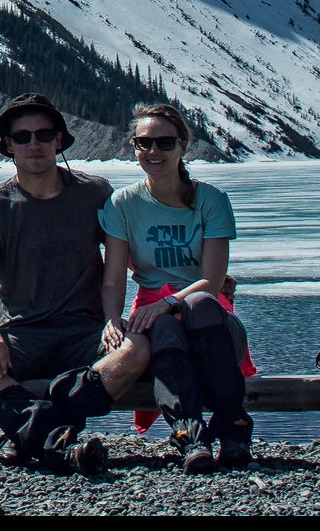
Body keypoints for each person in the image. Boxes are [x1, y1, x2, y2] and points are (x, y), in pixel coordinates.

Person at [0, 93, 125, 466]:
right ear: (8, 146)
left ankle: (32, 434)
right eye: (23, 137)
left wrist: (201, 277)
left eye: (44, 135)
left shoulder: (95, 194)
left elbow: (127, 258)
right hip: (25, 335)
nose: (34, 144)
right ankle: (54, 438)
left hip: (87, 333)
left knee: (137, 349)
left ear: (59, 141)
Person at [98, 101, 251, 470]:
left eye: (165, 143)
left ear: (183, 146)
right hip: (153, 313)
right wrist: (111, 319)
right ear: (133, 147)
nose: (154, 152)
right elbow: (114, 277)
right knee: (163, 326)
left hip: (208, 311)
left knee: (195, 305)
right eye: (144, 143)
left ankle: (233, 429)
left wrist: (167, 303)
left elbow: (211, 283)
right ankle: (191, 436)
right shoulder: (123, 203)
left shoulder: (210, 200)